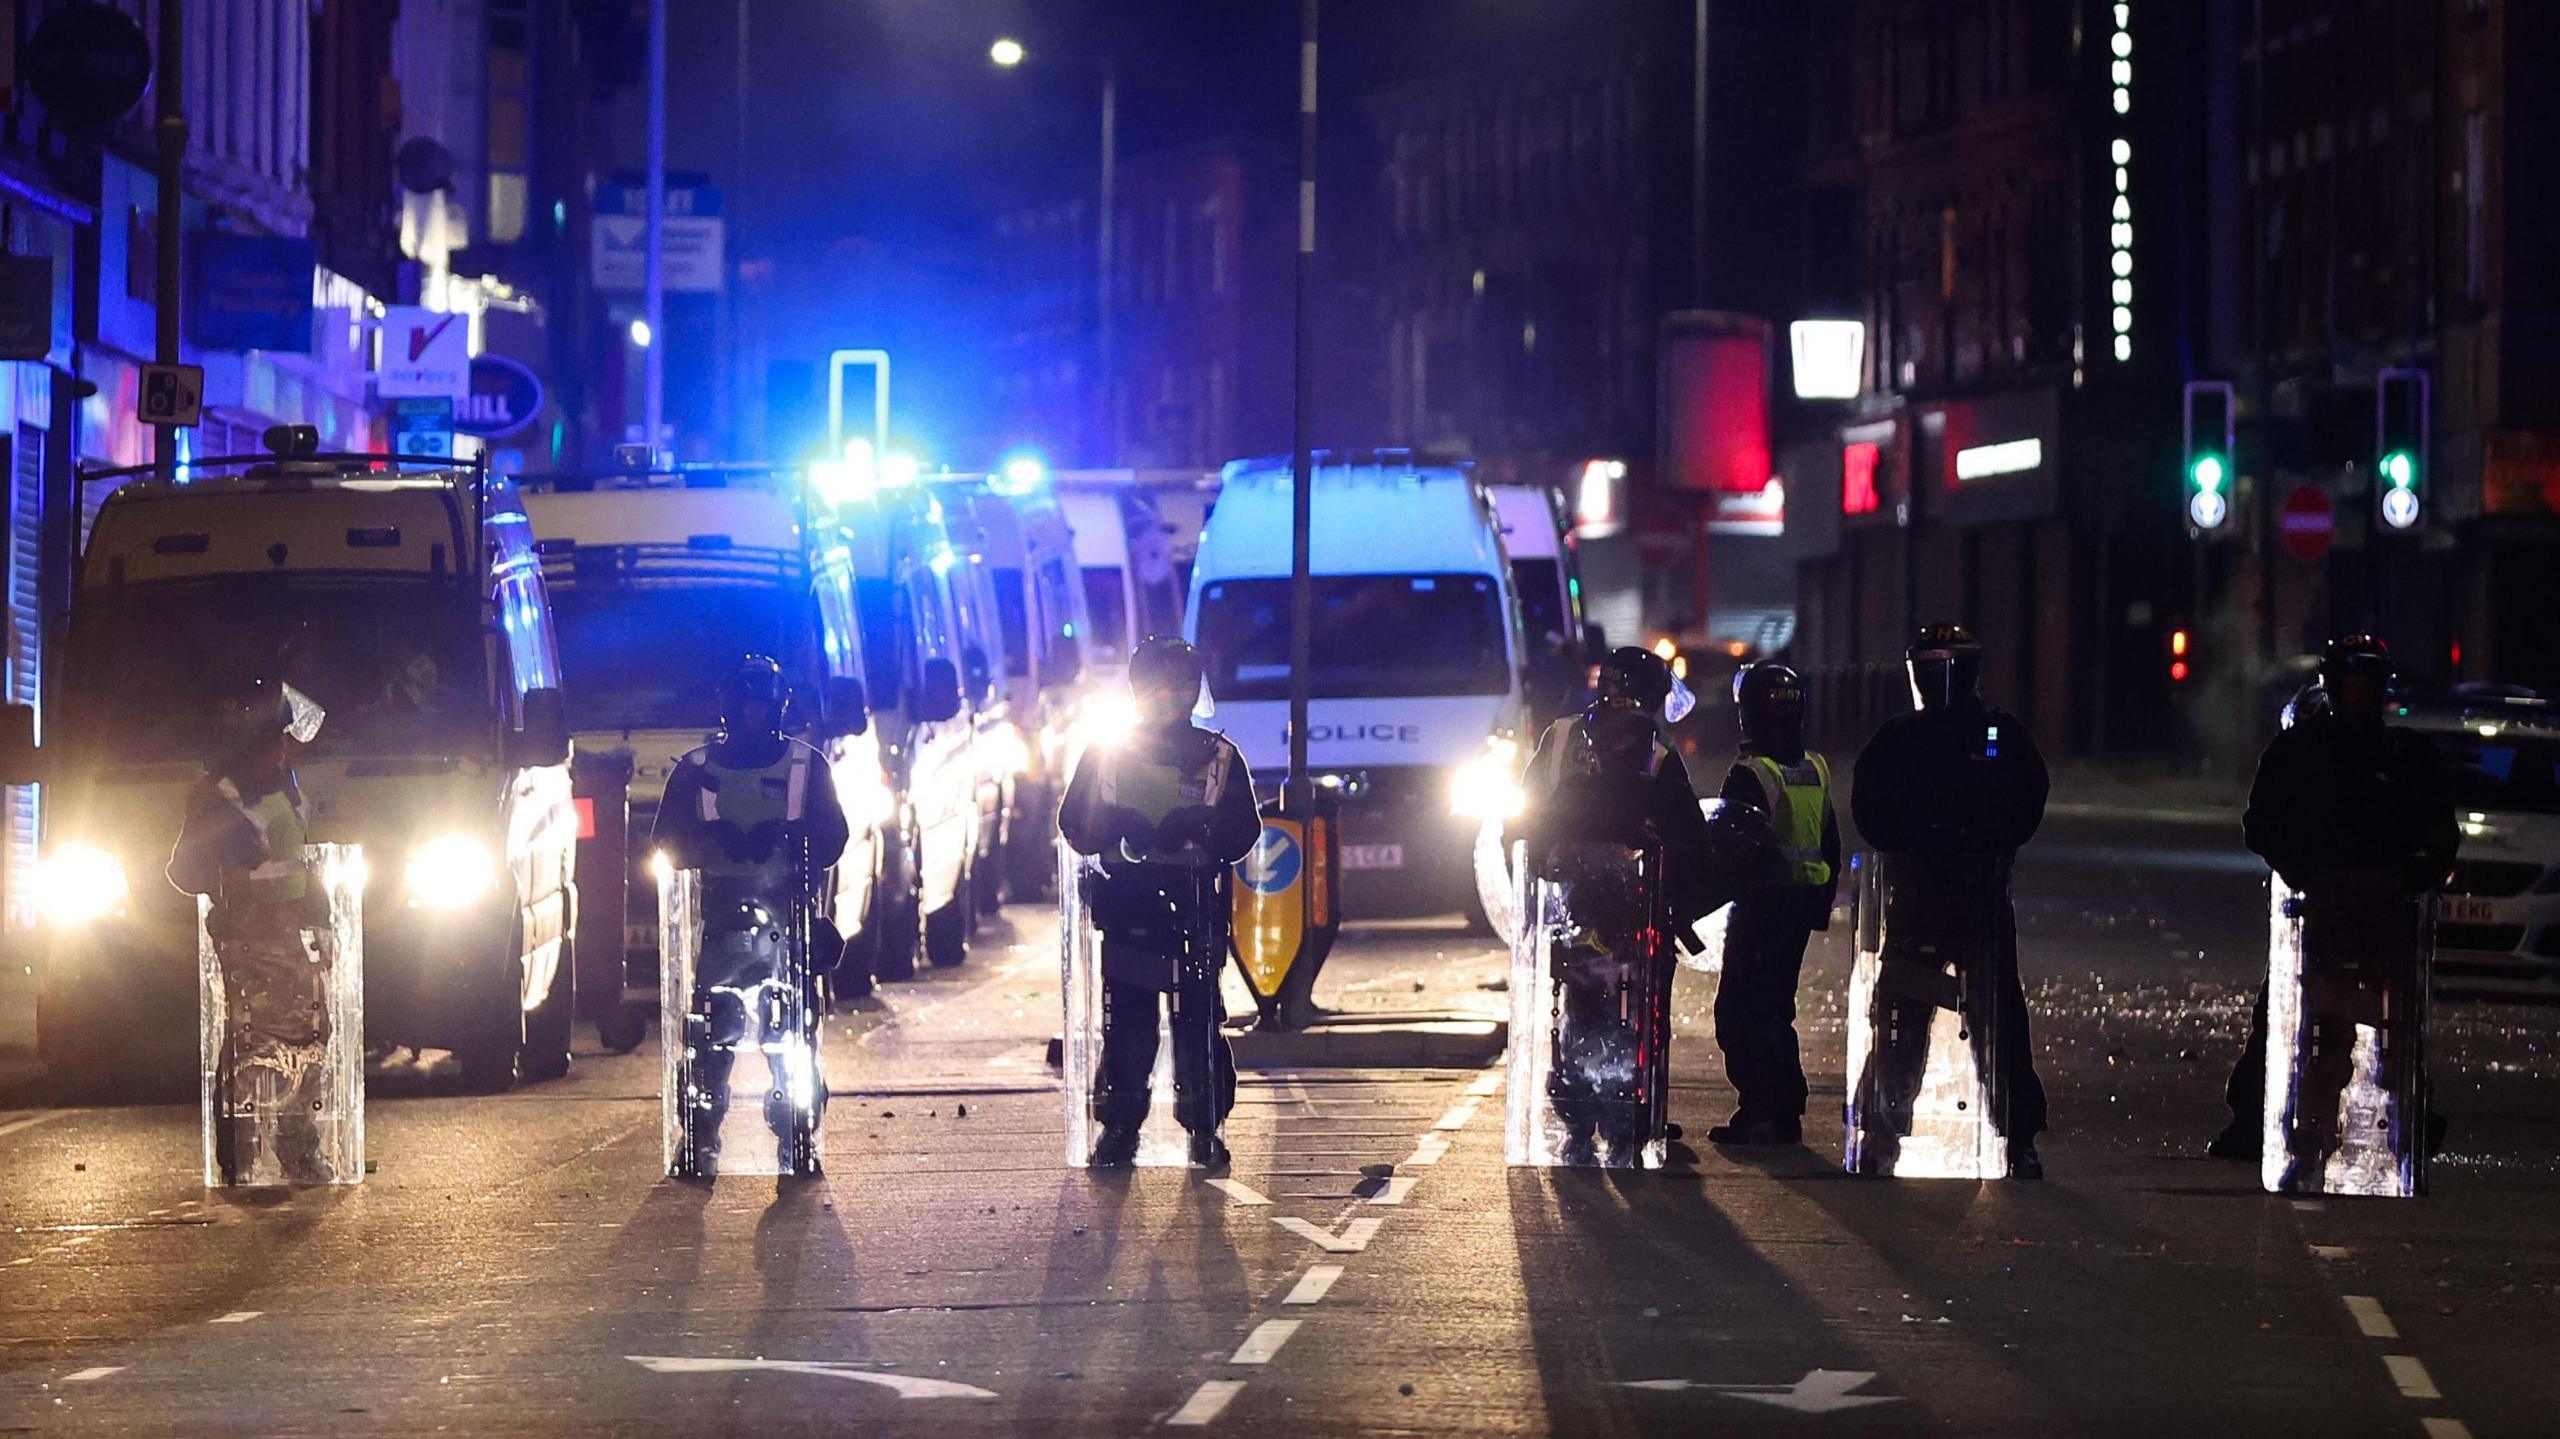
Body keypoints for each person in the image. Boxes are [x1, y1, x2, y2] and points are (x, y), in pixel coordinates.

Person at [2216, 634, 2455, 1177]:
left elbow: (2439, 831)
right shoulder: (2298, 751)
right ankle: (2266, 1124)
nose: (2357, 693)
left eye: (2367, 683)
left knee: (2396, 1033)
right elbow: (2262, 825)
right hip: (2316, 913)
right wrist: (2302, 872)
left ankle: (2408, 1124)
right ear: (2329, 683)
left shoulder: (2406, 756)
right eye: (2348, 681)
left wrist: (2415, 873)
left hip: (2386, 917)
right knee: (2300, 1026)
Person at [1850, 623, 2051, 1179]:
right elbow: (1871, 812)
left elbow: (2026, 801)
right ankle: (1887, 1129)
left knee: (1981, 1018)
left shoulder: (1978, 734)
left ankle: (1895, 1133)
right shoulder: (1924, 736)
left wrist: (1962, 837)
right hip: (1943, 893)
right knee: (1907, 1015)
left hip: (1953, 893)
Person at [1059, 637, 1261, 1168]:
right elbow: (1073, 824)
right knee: (1127, 1024)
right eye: (1159, 684)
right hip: (1129, 906)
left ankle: (1204, 1127)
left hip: (1194, 906)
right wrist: (1117, 825)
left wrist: (1203, 825)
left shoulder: (1219, 756)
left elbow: (1244, 832)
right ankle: (1121, 1129)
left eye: (1182, 684)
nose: (1170, 695)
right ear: (1136, 689)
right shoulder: (1108, 753)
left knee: (1198, 1024)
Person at [1517, 647, 1721, 1164]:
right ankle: (1634, 1109)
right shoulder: (1657, 747)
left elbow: (1526, 810)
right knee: (1644, 1002)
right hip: (1635, 900)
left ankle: (1578, 1116)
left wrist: (1547, 861)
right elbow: (1689, 835)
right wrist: (1686, 893)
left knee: (1578, 1001)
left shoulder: (1560, 734)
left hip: (1571, 900)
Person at [653, 655, 850, 1174]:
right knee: (711, 1035)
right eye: (742, 703)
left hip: (787, 915)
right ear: (725, 706)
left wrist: (786, 836)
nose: (750, 714)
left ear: (779, 705)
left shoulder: (805, 765)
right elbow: (666, 844)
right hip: (720, 916)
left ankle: (797, 1134)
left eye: (760, 703)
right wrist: (712, 839)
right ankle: (698, 1138)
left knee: (790, 1036)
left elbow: (834, 840)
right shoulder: (696, 770)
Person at [168, 677, 337, 1184]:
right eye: (277, 739)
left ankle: (297, 1150)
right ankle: (241, 1153)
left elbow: (299, 862)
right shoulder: (218, 798)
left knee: (309, 1037)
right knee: (251, 1043)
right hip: (248, 940)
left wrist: (321, 915)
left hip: (292, 936)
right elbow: (184, 873)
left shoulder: (283, 786)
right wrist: (232, 877)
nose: (284, 749)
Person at [1708, 662, 1842, 1147]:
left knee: (1740, 1010)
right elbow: (1831, 845)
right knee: (1775, 1007)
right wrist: (1819, 900)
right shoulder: (1815, 768)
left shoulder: (1751, 774)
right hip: (1800, 907)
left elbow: (1728, 846)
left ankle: (1762, 1109)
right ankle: (1784, 1106)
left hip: (1763, 908)